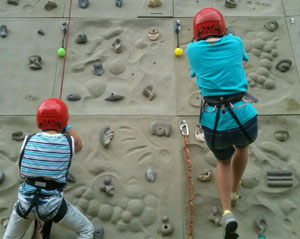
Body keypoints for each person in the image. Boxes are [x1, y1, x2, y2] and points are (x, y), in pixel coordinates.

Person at [186, 8, 258, 239]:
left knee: (223, 163)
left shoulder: (192, 50)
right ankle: (235, 191)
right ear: (222, 26)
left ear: (197, 31)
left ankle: (227, 211)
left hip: (214, 122)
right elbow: (242, 58)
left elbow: (194, 73)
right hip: (244, 117)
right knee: (243, 148)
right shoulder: (235, 43)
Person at [3, 98, 104, 239]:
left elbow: (23, 168)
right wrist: (67, 127)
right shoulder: (67, 142)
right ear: (63, 120)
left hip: (25, 202)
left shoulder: (28, 139)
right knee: (86, 230)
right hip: (51, 205)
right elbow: (79, 144)